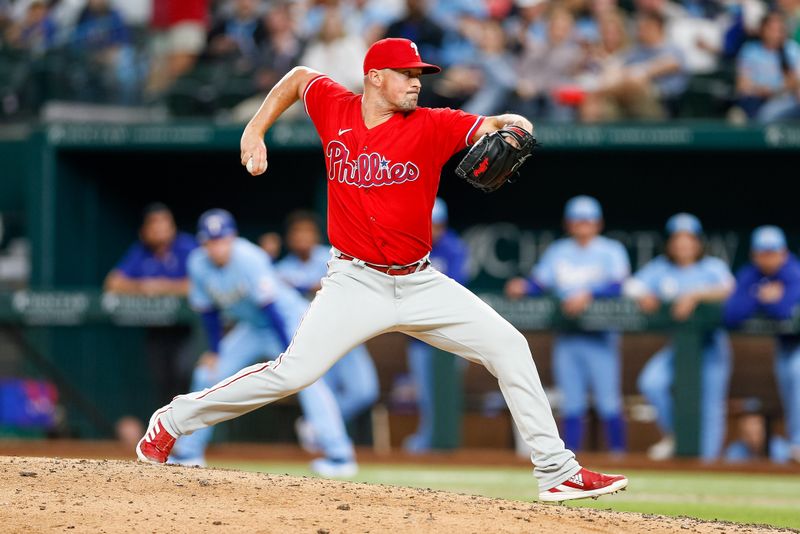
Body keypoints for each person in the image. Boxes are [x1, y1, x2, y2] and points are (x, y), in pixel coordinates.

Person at [138, 37, 628, 502]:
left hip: (419, 281)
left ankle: (557, 472)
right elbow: (298, 76)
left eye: (420, 74)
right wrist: (255, 127)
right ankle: (173, 421)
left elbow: (500, 122)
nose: (417, 81)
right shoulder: (335, 106)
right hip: (354, 281)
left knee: (509, 346)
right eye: (407, 74)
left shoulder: (433, 123)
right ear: (374, 77)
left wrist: (520, 124)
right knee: (292, 374)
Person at [165, 208, 358, 476]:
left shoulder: (249, 257)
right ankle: (189, 452)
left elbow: (272, 308)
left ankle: (340, 456)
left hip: (288, 321)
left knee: (309, 379)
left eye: (222, 239)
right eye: (211, 241)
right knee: (207, 372)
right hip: (253, 327)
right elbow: (208, 312)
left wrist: (290, 357)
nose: (217, 247)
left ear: (232, 237)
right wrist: (214, 351)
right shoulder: (198, 263)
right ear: (203, 242)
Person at [505, 195, 630, 454]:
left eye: (588, 220)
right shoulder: (559, 251)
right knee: (571, 403)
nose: (583, 225)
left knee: (609, 402)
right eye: (578, 220)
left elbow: (620, 284)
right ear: (569, 224)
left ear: (598, 223)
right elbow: (540, 282)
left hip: (601, 337)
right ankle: (570, 458)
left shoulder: (610, 250)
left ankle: (620, 457)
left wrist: (589, 294)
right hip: (568, 335)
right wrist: (523, 287)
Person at [625, 213, 734, 461]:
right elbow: (631, 285)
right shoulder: (661, 268)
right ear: (670, 244)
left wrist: (695, 295)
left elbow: (730, 289)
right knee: (652, 382)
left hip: (712, 345)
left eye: (688, 239)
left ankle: (707, 463)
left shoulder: (712, 267)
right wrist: (643, 295)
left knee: (710, 406)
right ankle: (676, 434)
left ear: (697, 243)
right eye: (677, 239)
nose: (683, 245)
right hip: (681, 347)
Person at [274, 210, 380, 446]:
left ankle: (316, 427)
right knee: (323, 393)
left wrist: (312, 286)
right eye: (297, 232)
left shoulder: (331, 256)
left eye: (307, 231)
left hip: (345, 334)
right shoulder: (281, 269)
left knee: (365, 391)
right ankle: (327, 439)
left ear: (316, 235)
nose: (302, 237)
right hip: (313, 342)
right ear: (289, 238)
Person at [104, 203, 198, 405]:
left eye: (165, 224)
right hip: (157, 328)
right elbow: (112, 283)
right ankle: (168, 431)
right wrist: (142, 286)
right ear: (144, 231)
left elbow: (198, 284)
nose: (160, 230)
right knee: (161, 380)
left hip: (189, 327)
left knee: (185, 374)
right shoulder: (141, 251)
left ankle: (190, 434)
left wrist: (162, 286)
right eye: (154, 225)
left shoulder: (186, 246)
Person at [723, 225, 800, 463]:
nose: (768, 258)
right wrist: (761, 294)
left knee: (798, 373)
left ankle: (798, 443)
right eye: (763, 253)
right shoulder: (751, 274)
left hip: (795, 345)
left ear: (783, 252)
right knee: (789, 392)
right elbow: (731, 315)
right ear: (754, 255)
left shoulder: (794, 272)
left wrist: (767, 299)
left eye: (773, 252)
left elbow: (784, 311)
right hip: (786, 345)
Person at [403, 197, 469, 453]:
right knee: (425, 394)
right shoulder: (410, 245)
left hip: (449, 334)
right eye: (430, 223)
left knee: (446, 392)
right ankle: (427, 440)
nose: (434, 229)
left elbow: (457, 287)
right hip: (418, 336)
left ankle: (442, 444)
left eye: (437, 224)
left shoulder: (454, 248)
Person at [735, 11, 800, 122]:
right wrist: (759, 90)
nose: (777, 34)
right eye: (772, 30)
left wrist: (775, 90)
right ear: (762, 30)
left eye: (780, 30)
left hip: (785, 101)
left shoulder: (791, 50)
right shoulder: (750, 51)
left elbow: (796, 83)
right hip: (755, 100)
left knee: (767, 115)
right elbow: (742, 85)